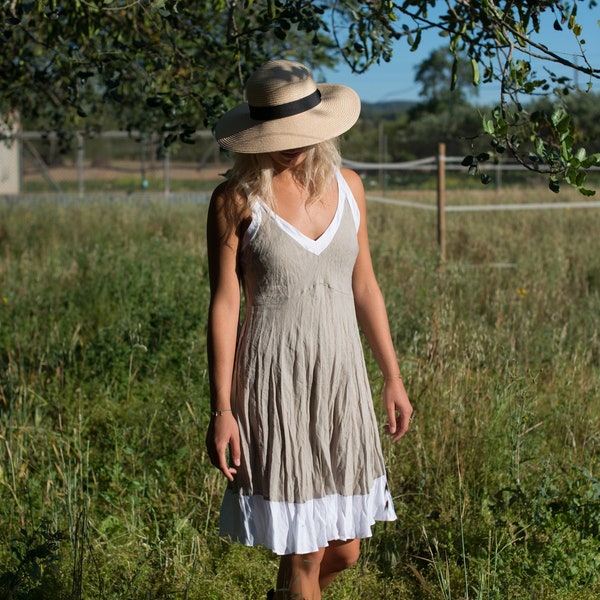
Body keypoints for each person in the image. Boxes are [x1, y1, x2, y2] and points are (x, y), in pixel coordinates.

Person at [205, 59, 413, 600]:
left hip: (341, 380)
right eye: (275, 134)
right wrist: (222, 410)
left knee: (345, 549)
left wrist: (391, 375)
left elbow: (365, 287)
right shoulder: (234, 202)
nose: (288, 145)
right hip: (275, 383)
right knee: (306, 552)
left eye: (296, 132)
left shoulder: (350, 188)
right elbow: (225, 306)